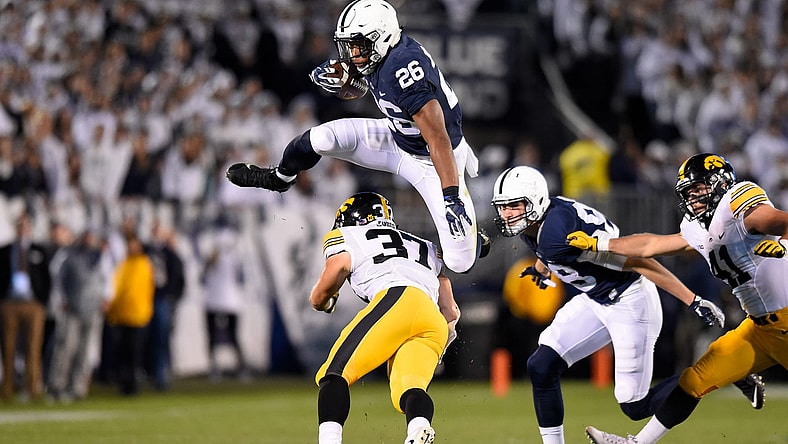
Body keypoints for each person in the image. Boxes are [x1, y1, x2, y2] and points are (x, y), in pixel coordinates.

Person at [489, 166, 752, 444]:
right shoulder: (539, 222)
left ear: (537, 200)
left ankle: (722, 369)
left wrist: (692, 299)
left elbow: (639, 262)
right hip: (596, 299)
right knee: (541, 365)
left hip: (629, 300)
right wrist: (542, 268)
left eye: (514, 206)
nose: (507, 214)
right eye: (503, 207)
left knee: (635, 406)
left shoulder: (558, 233)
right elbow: (548, 248)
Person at [225, 0, 488, 274]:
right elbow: (367, 86)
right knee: (320, 139)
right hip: (397, 136)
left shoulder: (404, 69)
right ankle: (279, 178)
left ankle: (472, 240)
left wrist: (451, 197)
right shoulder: (384, 53)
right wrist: (345, 79)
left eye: (358, 45)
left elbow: (438, 138)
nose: (352, 54)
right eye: (349, 45)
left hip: (435, 159)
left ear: (382, 37)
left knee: (460, 262)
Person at [567, 153, 781, 444]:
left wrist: (782, 243)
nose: (692, 198)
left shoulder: (738, 206)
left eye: (698, 189)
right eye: (688, 192)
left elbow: (781, 223)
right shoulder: (699, 226)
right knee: (693, 380)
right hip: (759, 329)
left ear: (720, 183)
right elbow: (651, 244)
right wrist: (600, 243)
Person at [310, 192, 460, 444]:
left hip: (397, 298)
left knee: (334, 374)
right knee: (409, 388)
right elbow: (451, 310)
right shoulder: (424, 245)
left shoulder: (350, 235)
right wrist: (441, 343)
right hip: (432, 318)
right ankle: (418, 430)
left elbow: (336, 268)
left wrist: (322, 300)